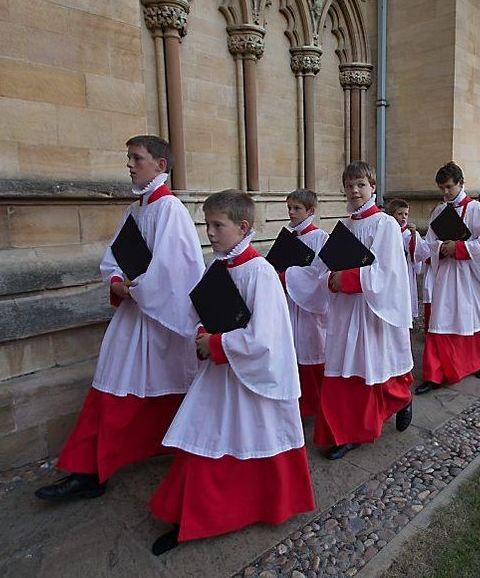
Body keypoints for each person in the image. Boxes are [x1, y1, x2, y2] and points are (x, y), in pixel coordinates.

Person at [36, 135, 205, 502]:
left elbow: (177, 271)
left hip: (159, 321)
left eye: (137, 158)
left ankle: (185, 454)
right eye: (128, 158)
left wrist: (135, 289)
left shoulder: (170, 210)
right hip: (135, 315)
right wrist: (116, 280)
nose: (129, 165)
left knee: (140, 388)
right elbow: (114, 256)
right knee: (112, 386)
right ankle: (89, 470)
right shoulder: (135, 210)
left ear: (160, 166)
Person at [148, 189, 314, 554]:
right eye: (206, 225)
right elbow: (199, 314)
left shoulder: (260, 273)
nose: (209, 233)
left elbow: (266, 340)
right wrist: (202, 334)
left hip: (251, 379)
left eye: (216, 226)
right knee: (202, 435)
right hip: (220, 375)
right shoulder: (216, 267)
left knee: (252, 437)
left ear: (242, 227)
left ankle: (261, 504)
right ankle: (190, 515)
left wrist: (218, 344)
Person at [314, 161, 415, 460]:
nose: (354, 191)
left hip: (371, 310)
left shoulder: (384, 224)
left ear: (373, 187)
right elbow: (325, 265)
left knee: (371, 368)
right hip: (346, 310)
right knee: (344, 369)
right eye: (349, 185)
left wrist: (347, 278)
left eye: (360, 184)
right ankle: (344, 429)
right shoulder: (345, 226)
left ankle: (393, 405)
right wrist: (327, 279)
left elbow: (389, 272)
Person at [418, 162, 480, 394]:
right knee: (440, 320)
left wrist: (458, 247)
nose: (445, 193)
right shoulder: (439, 211)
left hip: (470, 275)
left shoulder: (477, 209)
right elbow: (429, 242)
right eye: (441, 188)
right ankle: (434, 373)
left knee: (472, 318)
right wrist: (441, 248)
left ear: (461, 183)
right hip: (447, 274)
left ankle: (478, 362)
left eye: (449, 187)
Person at [282, 189, 330, 418]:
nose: (291, 212)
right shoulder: (291, 239)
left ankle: (318, 406)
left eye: (296, 208)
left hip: (310, 310)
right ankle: (298, 406)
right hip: (291, 306)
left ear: (311, 211)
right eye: (289, 207)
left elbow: (319, 275)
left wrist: (287, 276)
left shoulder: (320, 238)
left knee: (311, 354)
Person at [386, 198, 430, 320]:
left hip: (406, 271)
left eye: (406, 214)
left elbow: (421, 253)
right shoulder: (387, 230)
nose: (404, 217)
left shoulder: (409, 233)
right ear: (392, 215)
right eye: (400, 214)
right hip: (391, 271)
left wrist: (415, 236)